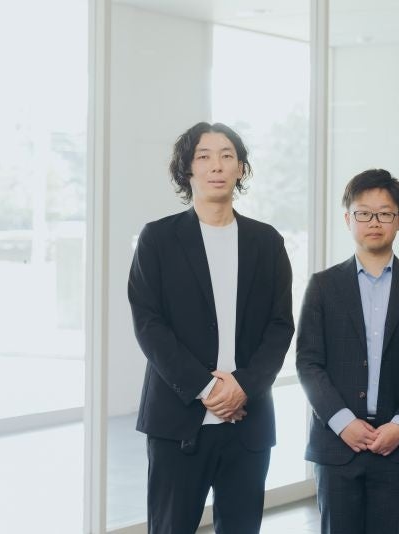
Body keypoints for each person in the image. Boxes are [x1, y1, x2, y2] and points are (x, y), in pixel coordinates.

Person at [128, 122, 294, 534]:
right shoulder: (158, 239)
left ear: (241, 168)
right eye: (203, 156)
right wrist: (207, 389)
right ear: (187, 169)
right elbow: (149, 324)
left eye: (226, 156)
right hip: (177, 421)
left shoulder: (267, 242)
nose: (216, 166)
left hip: (248, 421)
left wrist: (243, 386)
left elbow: (280, 326)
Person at [296, 169, 399, 534]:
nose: (374, 222)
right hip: (337, 444)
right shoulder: (323, 286)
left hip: (396, 445)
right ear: (348, 219)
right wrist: (342, 422)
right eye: (363, 213)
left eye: (384, 213)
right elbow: (309, 363)